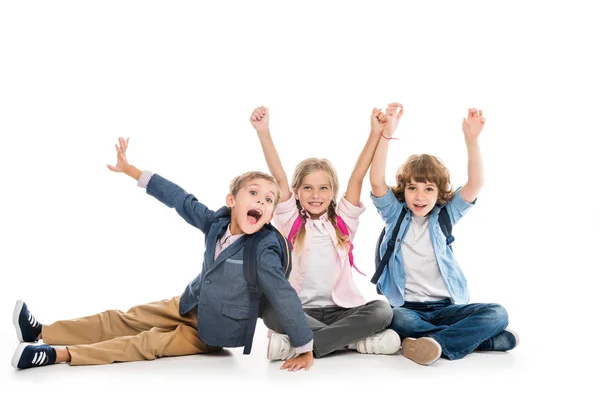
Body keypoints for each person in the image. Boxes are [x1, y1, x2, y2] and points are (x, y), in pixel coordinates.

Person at [12, 137, 314, 372]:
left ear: (271, 214)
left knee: (145, 344)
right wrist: (132, 171)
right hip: (189, 303)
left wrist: (305, 346)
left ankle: (57, 355)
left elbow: (283, 294)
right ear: (231, 200)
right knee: (122, 318)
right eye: (254, 193)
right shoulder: (215, 223)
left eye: (269, 200)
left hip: (213, 332)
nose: (261, 202)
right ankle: (41, 332)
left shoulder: (264, 249)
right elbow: (180, 199)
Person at [369, 104, 519, 365]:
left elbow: (475, 184)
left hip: (447, 308)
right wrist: (386, 135)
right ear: (403, 190)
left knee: (498, 313)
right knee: (393, 318)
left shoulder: (444, 217)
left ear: (439, 194)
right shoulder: (395, 215)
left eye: (428, 189)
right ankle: (481, 341)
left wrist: (471, 140)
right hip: (408, 309)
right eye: (413, 188)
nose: (419, 196)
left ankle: (434, 343)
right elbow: (377, 181)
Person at [250, 106, 401, 360]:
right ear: (297, 191)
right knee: (267, 306)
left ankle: (303, 343)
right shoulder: (290, 220)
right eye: (308, 188)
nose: (316, 195)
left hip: (341, 310)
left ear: (333, 192)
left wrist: (375, 133)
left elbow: (357, 177)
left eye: (323, 188)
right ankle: (351, 343)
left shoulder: (343, 221)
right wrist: (264, 132)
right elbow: (279, 178)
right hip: (299, 309)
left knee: (383, 310)